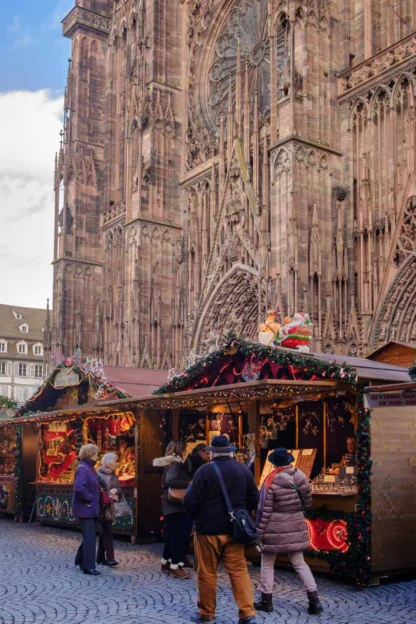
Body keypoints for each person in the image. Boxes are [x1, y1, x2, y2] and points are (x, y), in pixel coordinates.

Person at [184, 435, 259, 624]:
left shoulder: (204, 471)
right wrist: (241, 515)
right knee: (239, 571)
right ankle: (247, 613)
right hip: (235, 530)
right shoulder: (243, 470)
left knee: (207, 572)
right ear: (230, 451)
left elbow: (189, 501)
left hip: (208, 530)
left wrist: (197, 518)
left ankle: (207, 614)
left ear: (211, 453)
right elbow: (254, 499)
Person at [255, 448, 323, 615]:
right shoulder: (300, 475)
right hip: (296, 523)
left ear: (274, 463)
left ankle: (266, 600)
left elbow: (265, 511)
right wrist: (299, 510)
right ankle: (315, 601)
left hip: (274, 527)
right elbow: (307, 500)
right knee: (299, 563)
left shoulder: (270, 481)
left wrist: (258, 535)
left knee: (268, 563)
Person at [153, 440, 193, 579]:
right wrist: (188, 483)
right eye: (185, 449)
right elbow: (170, 481)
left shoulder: (169, 463)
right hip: (176, 506)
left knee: (171, 535)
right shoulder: (176, 463)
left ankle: (166, 562)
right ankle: (176, 566)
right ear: (181, 450)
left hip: (170, 506)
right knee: (179, 536)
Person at [72, 443, 100, 576]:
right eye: (95, 454)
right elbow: (79, 488)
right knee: (89, 538)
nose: (97, 456)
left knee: (88, 536)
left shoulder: (89, 468)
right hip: (85, 509)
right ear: (89, 455)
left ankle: (80, 560)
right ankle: (88, 566)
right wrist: (91, 498)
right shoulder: (83, 469)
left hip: (89, 508)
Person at [96, 452, 122, 566]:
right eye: (115, 461)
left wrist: (117, 492)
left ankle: (104, 557)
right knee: (106, 531)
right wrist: (108, 495)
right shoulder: (98, 475)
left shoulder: (114, 476)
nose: (117, 463)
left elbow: (118, 489)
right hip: (100, 506)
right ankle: (106, 557)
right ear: (108, 463)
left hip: (109, 507)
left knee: (106, 530)